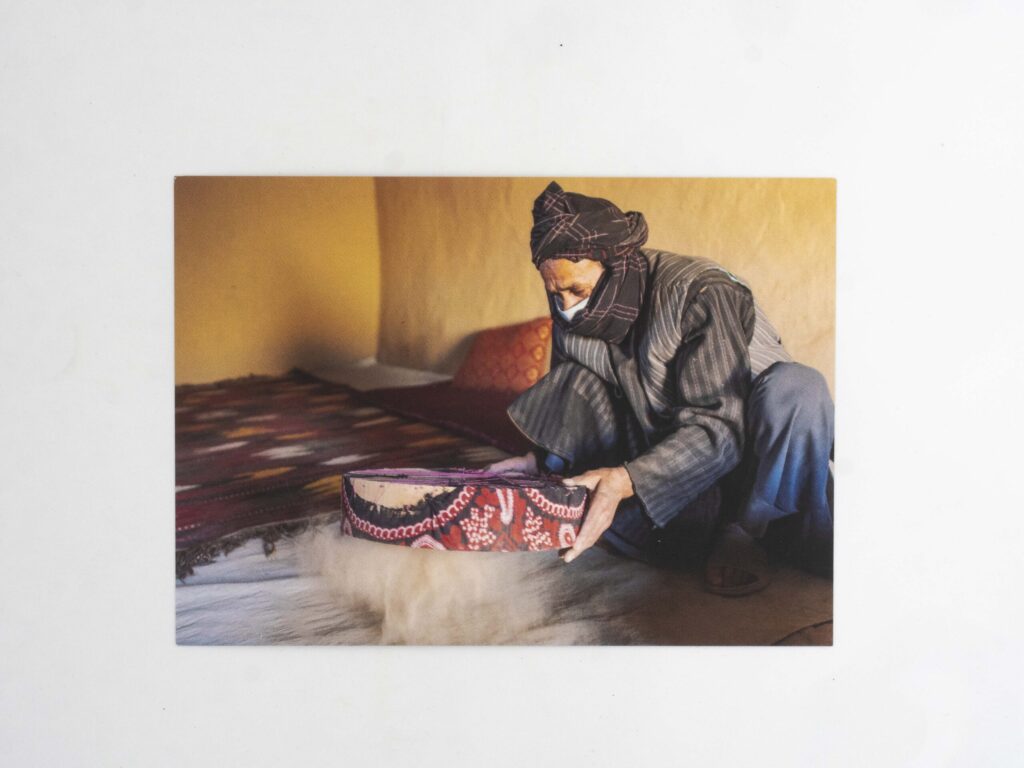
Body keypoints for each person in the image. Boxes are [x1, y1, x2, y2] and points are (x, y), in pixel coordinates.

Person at [487, 181, 834, 595]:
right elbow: (574, 396)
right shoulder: (569, 303)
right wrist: (542, 461)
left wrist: (622, 481)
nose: (566, 307)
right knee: (575, 381)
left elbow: (720, 427)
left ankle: (748, 531)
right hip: (677, 459)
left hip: (757, 457)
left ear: (615, 266)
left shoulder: (700, 292)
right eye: (554, 292)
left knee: (799, 387)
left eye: (577, 290)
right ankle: (699, 529)